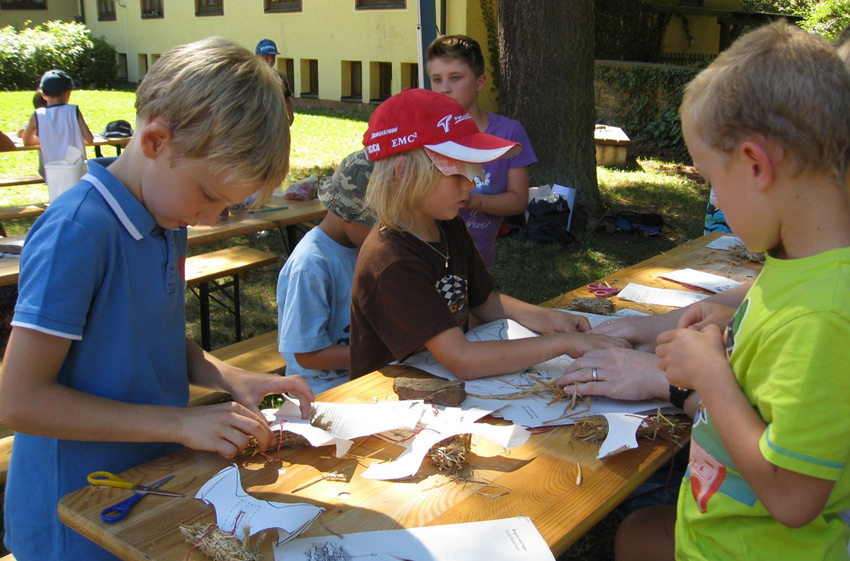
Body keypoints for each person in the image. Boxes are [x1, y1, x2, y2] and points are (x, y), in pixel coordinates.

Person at [0, 37, 316, 561]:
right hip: (74, 513)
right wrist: (179, 422)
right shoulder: (77, 232)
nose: (214, 217)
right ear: (154, 141)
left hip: (147, 483)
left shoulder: (166, 216)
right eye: (212, 197)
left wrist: (227, 376)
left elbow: (153, 331)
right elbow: (21, 400)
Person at [612, 22, 850, 561]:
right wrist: (723, 334)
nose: (715, 197)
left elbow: (794, 497)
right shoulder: (794, 267)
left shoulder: (828, 311)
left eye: (711, 180)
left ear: (756, 164)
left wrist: (711, 374)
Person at [349, 88, 628, 380]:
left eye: (473, 169)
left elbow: (484, 301)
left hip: (442, 386)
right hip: (387, 404)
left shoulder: (448, 223)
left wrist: (549, 319)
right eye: (458, 172)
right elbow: (462, 359)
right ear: (404, 173)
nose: (471, 183)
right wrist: (563, 343)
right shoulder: (391, 260)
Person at [426, 35, 537, 268]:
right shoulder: (424, 135)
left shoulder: (509, 133)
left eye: (455, 78)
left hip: (478, 263)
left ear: (479, 82)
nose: (444, 88)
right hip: (428, 260)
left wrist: (472, 200)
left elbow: (518, 201)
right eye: (436, 79)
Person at [277, 149, 376, 394]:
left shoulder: (362, 246)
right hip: (322, 392)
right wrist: (379, 351)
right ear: (348, 215)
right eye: (378, 225)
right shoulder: (310, 266)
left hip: (365, 377)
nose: (384, 234)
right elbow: (309, 355)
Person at [22, 69, 94, 166]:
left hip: (53, 172)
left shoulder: (37, 115)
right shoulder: (74, 110)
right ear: (68, 93)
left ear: (43, 95)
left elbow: (27, 141)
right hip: (77, 169)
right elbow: (89, 138)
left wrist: (48, 140)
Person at [255, 38, 295, 124]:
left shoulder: (280, 78)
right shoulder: (251, 78)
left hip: (275, 119)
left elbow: (286, 98)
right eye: (266, 57)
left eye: (273, 57)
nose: (270, 60)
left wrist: (291, 115)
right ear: (257, 57)